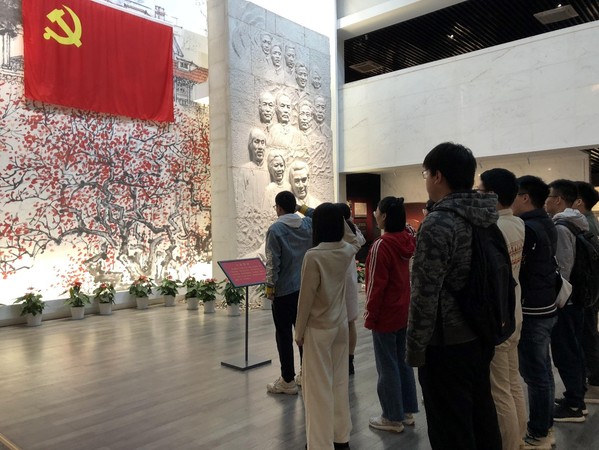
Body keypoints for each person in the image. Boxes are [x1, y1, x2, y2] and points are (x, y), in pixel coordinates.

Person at [407, 142, 502, 450]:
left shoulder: (439, 221)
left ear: (438, 176)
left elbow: (425, 294)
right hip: (481, 330)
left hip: (446, 341)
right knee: (481, 417)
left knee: (450, 428)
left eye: (426, 173)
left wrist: (415, 349)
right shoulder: (485, 215)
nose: (426, 180)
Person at [295, 203, 362, 449]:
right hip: (340, 325)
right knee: (339, 383)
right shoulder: (346, 250)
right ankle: (340, 438)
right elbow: (356, 238)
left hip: (318, 329)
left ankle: (320, 444)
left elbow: (306, 298)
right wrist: (338, 219)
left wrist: (298, 331)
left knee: (317, 390)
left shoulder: (314, 256)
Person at [479, 168, 527, 450]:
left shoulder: (494, 228)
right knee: (512, 382)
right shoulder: (518, 223)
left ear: (492, 195)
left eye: (480, 191)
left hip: (499, 317)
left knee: (499, 391)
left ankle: (509, 444)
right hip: (514, 311)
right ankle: (518, 440)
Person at [511, 175, 558, 449]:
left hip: (533, 309)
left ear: (525, 197)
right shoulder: (547, 223)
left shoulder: (528, 228)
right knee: (543, 370)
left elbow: (521, 269)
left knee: (535, 373)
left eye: (514, 195)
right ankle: (545, 427)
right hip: (547, 304)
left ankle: (539, 432)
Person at [365, 196, 418, 434]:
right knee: (402, 362)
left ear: (384, 216)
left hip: (386, 314)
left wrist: (370, 315)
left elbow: (375, 286)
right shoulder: (407, 240)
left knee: (387, 365)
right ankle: (406, 411)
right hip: (404, 310)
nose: (375, 214)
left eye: (377, 210)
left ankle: (391, 416)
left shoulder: (382, 245)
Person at [545, 179, 589, 423]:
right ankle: (576, 396)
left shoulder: (561, 227)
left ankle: (574, 405)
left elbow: (562, 269)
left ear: (559, 199)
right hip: (578, 297)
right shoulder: (578, 221)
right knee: (574, 348)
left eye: (549, 197)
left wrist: (557, 301)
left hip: (566, 301)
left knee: (565, 352)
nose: (546, 201)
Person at [265, 191, 313, 395]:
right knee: (303, 333)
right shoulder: (307, 224)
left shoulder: (275, 229)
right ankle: (305, 373)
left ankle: (288, 380)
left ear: (278, 207)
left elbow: (272, 262)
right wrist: (301, 208)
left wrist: (270, 287)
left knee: (284, 334)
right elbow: (315, 213)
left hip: (284, 291)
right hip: (305, 288)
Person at [573, 181, 599, 404]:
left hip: (587, 291)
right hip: (591, 290)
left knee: (587, 334)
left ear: (579, 201)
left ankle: (594, 379)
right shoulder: (589, 221)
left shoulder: (583, 225)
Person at [337, 202, 366, 375]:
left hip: (339, 278)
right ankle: (349, 360)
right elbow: (361, 240)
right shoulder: (354, 232)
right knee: (350, 322)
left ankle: (340, 359)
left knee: (337, 321)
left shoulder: (337, 231)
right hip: (350, 278)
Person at [237, 127, 270, 206]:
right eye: (256, 142)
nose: (260, 147)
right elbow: (240, 200)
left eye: (262, 142)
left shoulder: (270, 169)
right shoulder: (244, 170)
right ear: (250, 145)